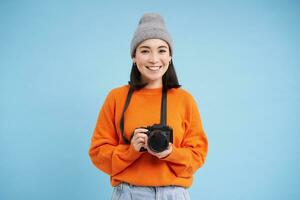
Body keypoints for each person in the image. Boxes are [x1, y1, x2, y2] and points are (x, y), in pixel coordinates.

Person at [89, 13, 208, 200]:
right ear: (134, 57)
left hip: (174, 194)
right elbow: (97, 153)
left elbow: (198, 156)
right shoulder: (116, 97)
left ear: (170, 56)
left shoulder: (185, 100)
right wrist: (131, 150)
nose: (154, 59)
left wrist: (170, 152)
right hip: (129, 193)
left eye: (162, 50)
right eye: (145, 51)